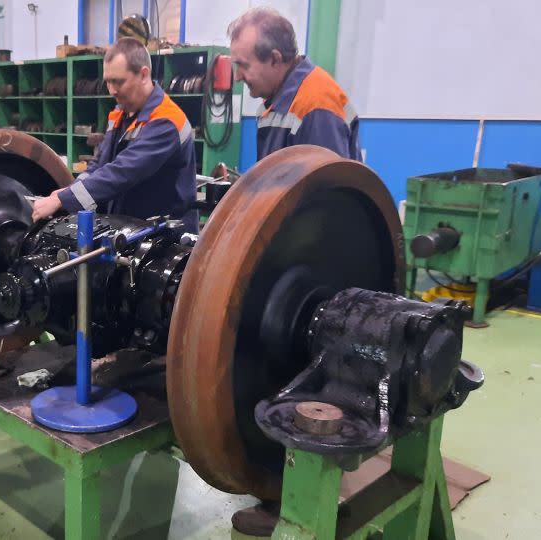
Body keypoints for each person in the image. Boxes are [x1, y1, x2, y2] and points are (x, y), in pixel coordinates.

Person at [225, 7, 363, 535]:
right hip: (291, 255)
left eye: (244, 66)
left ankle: (300, 500)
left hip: (314, 269)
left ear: (276, 57)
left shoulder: (315, 103)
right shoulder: (280, 97)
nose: (240, 77)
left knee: (305, 372)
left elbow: (322, 202)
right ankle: (289, 487)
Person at [31, 37, 198, 232]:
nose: (111, 90)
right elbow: (99, 165)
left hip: (167, 240)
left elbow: (122, 172)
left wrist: (64, 199)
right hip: (129, 230)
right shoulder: (121, 113)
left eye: (118, 82)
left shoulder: (167, 121)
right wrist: (71, 192)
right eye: (108, 82)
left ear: (144, 75)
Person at [230, 7, 361, 163]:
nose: (237, 76)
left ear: (274, 59)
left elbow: (328, 185)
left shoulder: (316, 107)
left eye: (243, 65)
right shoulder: (276, 102)